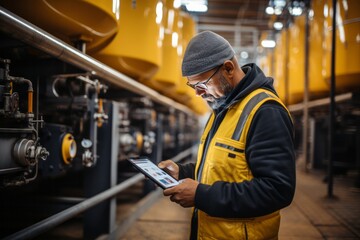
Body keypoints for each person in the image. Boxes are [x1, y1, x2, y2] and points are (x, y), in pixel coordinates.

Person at [159, 31, 296, 240]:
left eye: (201, 84)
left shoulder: (265, 111)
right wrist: (183, 172)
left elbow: (277, 190)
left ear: (229, 68)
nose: (198, 93)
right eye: (193, 86)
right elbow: (223, 169)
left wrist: (201, 195)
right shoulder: (223, 108)